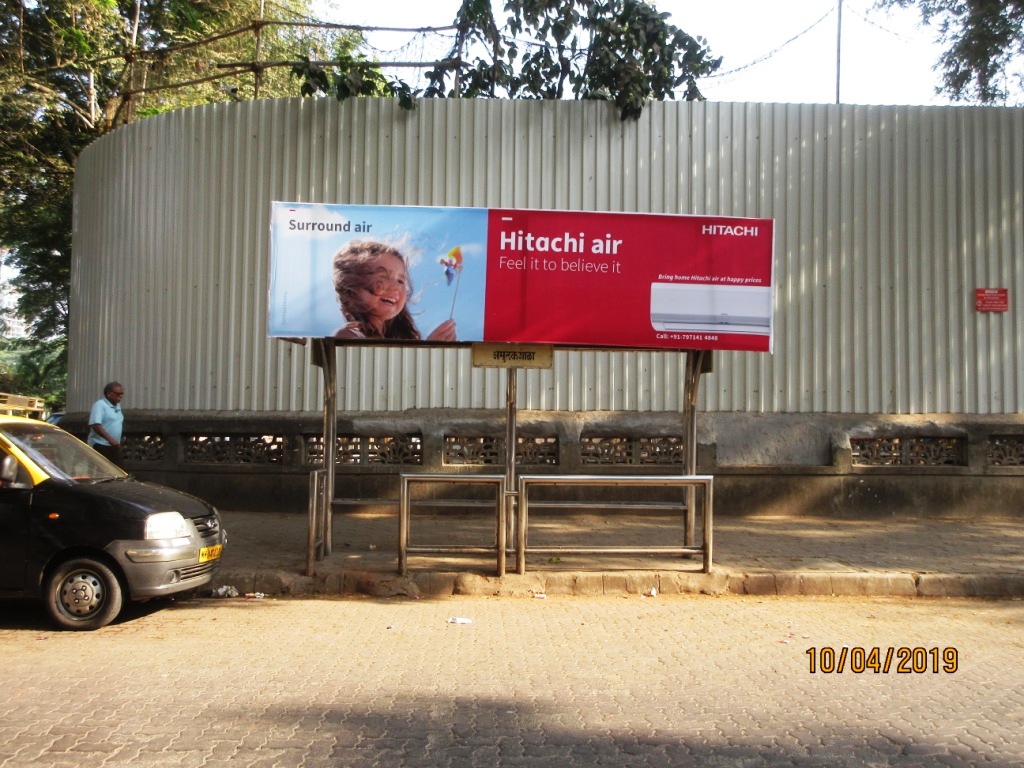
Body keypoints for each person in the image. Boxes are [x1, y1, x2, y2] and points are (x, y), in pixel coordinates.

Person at [332, 239, 457, 341]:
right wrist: (428, 351)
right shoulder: (349, 336)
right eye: (383, 277)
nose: (395, 286)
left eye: (400, 281)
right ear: (351, 290)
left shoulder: (401, 339)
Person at [87, 382, 125, 468]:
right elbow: (95, 425)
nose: (121, 396)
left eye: (122, 393)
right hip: (100, 444)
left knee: (119, 471)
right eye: (118, 394)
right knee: (102, 470)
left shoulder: (117, 406)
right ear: (109, 394)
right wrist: (110, 439)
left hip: (114, 445)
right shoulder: (100, 405)